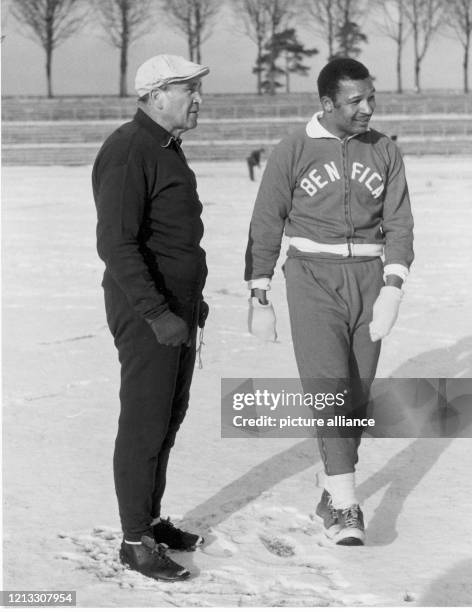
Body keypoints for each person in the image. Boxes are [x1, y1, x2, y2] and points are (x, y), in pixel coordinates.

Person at [245, 58, 414, 546]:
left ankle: (330, 485)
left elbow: (400, 222)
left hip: (368, 278)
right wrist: (260, 292)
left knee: (356, 397)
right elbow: (267, 219)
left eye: (371, 98)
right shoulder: (292, 149)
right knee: (330, 391)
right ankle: (345, 504)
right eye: (355, 101)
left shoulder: (384, 150)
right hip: (311, 278)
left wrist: (393, 286)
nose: (367, 108)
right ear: (327, 104)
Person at [92, 54, 210, 581]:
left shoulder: (166, 148)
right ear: (157, 95)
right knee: (143, 424)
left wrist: (190, 302)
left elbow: (170, 235)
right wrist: (159, 312)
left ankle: (151, 519)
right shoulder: (128, 149)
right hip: (148, 314)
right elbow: (116, 245)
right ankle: (133, 539)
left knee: (167, 419)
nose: (198, 99)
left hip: (176, 309)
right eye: (189, 90)